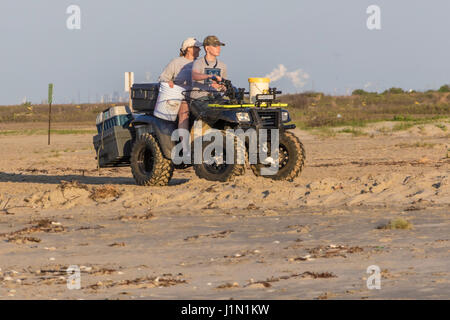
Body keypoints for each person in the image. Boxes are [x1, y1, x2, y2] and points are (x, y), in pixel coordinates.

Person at [154, 37, 201, 133]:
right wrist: (168, 82)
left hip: (197, 97)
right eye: (197, 47)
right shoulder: (176, 62)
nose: (199, 49)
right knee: (184, 113)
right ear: (189, 48)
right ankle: (184, 145)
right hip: (182, 97)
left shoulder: (200, 63)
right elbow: (163, 78)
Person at [191, 35, 227, 101]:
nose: (219, 48)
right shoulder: (198, 62)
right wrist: (210, 76)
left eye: (219, 46)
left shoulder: (222, 65)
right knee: (214, 109)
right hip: (200, 98)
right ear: (207, 48)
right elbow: (194, 75)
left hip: (216, 98)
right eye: (215, 46)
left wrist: (222, 87)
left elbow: (224, 85)